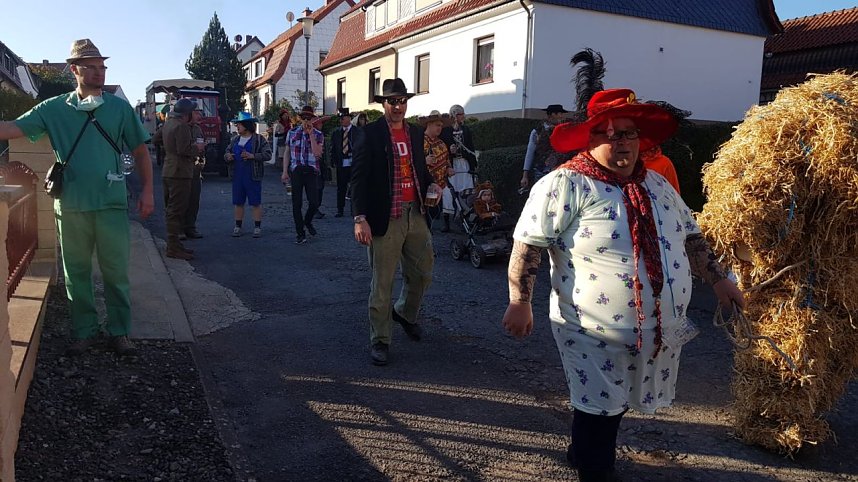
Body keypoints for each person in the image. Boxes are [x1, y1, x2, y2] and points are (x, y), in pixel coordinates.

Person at [501, 89, 745, 482]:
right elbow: (529, 244)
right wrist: (520, 300)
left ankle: (582, 451)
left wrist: (719, 281)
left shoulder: (658, 185)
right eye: (609, 133)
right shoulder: (565, 184)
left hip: (653, 326)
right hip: (590, 326)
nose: (621, 142)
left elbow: (690, 238)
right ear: (589, 138)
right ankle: (595, 468)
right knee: (599, 406)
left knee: (613, 401)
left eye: (629, 133)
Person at [0, 38, 154, 356]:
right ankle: (84, 331)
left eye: (102, 67)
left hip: (110, 203)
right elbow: (11, 129)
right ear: (74, 70)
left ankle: (119, 332)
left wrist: (148, 191)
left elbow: (141, 151)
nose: (99, 72)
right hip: (70, 204)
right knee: (76, 273)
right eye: (91, 67)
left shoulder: (119, 109)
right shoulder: (54, 109)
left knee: (115, 272)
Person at [350, 78, 441, 366]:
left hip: (416, 212)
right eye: (392, 101)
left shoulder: (415, 133)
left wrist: (432, 184)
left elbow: (419, 168)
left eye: (402, 101)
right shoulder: (370, 134)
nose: (398, 106)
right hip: (385, 215)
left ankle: (404, 313)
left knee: (423, 273)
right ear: (383, 104)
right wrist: (360, 218)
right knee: (383, 282)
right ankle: (380, 338)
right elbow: (358, 178)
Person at [153, 98, 199, 260]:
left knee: (171, 208)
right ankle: (173, 247)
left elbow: (155, 139)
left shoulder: (168, 124)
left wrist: (168, 146)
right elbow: (184, 150)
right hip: (180, 172)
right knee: (176, 210)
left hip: (168, 169)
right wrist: (198, 148)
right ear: (186, 114)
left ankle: (175, 244)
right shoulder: (182, 126)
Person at [225, 112, 271, 238]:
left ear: (246, 125)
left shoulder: (259, 140)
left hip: (253, 175)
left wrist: (253, 156)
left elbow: (268, 154)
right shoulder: (235, 140)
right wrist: (228, 156)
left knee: (255, 202)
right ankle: (238, 226)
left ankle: (257, 227)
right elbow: (227, 151)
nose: (237, 127)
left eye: (239, 124)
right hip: (237, 175)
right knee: (238, 202)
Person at [282, 105, 324, 244]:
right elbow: (287, 152)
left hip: (311, 170)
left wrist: (311, 134)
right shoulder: (292, 133)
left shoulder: (318, 134)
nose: (306, 120)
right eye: (304, 118)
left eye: (309, 118)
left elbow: (317, 154)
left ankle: (307, 221)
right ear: (300, 119)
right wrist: (284, 171)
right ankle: (300, 233)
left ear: (312, 119)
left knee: (314, 202)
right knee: (297, 203)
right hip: (297, 170)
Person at [439, 104, 476, 232]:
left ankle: (463, 218)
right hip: (451, 165)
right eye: (461, 114)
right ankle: (446, 223)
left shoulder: (466, 129)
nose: (463, 116)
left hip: (464, 164)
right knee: (448, 192)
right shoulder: (445, 131)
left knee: (466, 190)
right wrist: (449, 150)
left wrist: (473, 163)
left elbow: (470, 146)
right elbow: (441, 147)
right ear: (454, 116)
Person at [520, 104, 570, 191]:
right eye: (560, 113)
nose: (562, 116)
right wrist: (525, 175)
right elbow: (530, 152)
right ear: (553, 114)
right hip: (541, 171)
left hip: (560, 171)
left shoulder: (564, 130)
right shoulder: (537, 132)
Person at [419, 110, 452, 230]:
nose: (440, 128)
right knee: (428, 210)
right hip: (427, 184)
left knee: (443, 207)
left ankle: (444, 226)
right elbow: (411, 160)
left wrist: (449, 168)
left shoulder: (441, 143)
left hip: (442, 184)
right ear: (429, 124)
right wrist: (424, 161)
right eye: (437, 125)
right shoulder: (419, 141)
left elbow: (447, 159)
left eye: (441, 126)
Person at [183, 107, 206, 239]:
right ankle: (179, 229)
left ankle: (190, 227)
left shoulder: (197, 129)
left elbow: (201, 145)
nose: (199, 116)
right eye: (196, 113)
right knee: (181, 200)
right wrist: (195, 147)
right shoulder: (180, 128)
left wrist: (202, 150)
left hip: (196, 169)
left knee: (194, 200)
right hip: (182, 168)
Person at [330, 108, 354, 217]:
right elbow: (333, 148)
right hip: (341, 163)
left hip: (354, 163)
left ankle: (355, 209)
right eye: (340, 119)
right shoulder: (336, 133)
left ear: (349, 118)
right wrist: (333, 161)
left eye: (343, 118)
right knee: (341, 187)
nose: (341, 120)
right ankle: (340, 209)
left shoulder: (357, 132)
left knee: (354, 187)